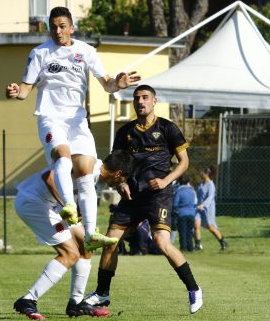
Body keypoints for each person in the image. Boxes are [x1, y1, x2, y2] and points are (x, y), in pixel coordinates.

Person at [5, 6, 140, 253]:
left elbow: (107, 84)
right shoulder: (40, 53)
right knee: (64, 158)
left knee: (87, 174)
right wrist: (15, 92)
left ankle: (90, 233)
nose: (58, 31)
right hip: (51, 117)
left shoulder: (86, 51)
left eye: (62, 26)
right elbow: (25, 90)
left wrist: (118, 84)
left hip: (78, 121)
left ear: (72, 28)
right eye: (53, 26)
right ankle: (69, 206)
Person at [85, 85, 203, 314]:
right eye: (137, 98)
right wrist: (120, 184)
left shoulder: (168, 128)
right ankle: (102, 293)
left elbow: (184, 162)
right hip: (132, 196)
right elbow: (115, 164)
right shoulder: (125, 132)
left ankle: (194, 289)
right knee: (111, 241)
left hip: (159, 196)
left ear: (154, 101)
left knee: (161, 243)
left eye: (145, 97)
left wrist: (166, 180)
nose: (141, 101)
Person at [13, 150, 134, 320]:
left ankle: (76, 303)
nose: (122, 183)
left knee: (86, 246)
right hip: (33, 202)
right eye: (124, 179)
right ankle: (27, 300)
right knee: (70, 254)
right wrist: (68, 206)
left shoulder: (97, 180)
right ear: (118, 173)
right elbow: (49, 177)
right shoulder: (87, 167)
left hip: (52, 206)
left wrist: (79, 216)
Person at [194, 166, 228, 251]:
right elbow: (198, 195)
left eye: (202, 172)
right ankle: (198, 244)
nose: (200, 174)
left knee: (210, 227)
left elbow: (210, 197)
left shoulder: (211, 185)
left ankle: (222, 241)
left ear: (207, 174)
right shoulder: (201, 184)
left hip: (208, 208)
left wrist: (204, 205)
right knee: (196, 225)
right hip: (198, 208)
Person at [173, 174, 197, 252]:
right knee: (189, 232)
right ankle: (190, 248)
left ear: (179, 182)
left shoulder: (179, 191)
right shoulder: (192, 191)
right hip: (191, 214)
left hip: (181, 214)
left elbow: (175, 204)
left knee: (182, 232)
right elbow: (195, 202)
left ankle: (183, 248)